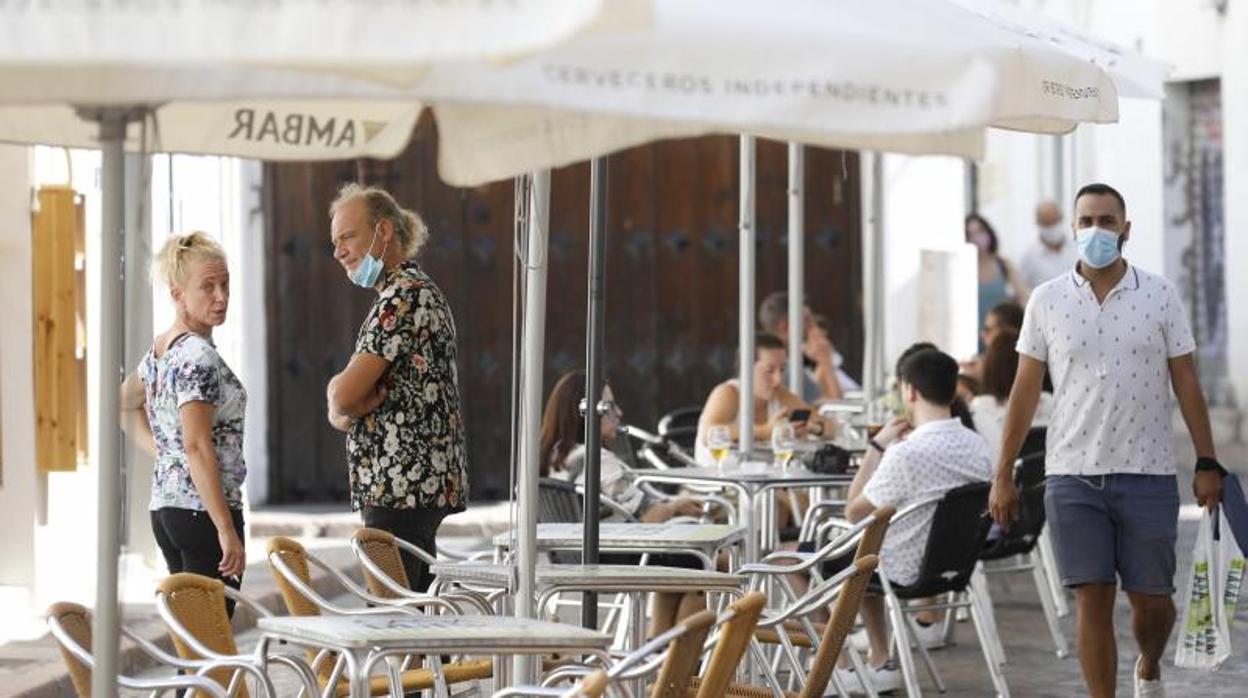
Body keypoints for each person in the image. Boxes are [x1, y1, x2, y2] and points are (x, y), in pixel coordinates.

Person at [988, 183, 1224, 698]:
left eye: (1108, 220)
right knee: (1092, 600)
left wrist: (1208, 461)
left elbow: (1186, 381)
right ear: (1074, 229)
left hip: (1149, 472)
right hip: (1072, 474)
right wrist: (1003, 471)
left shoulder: (1159, 294)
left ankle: (1149, 662)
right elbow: (1024, 392)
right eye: (1087, 220)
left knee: (1153, 603)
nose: (1097, 230)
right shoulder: (1046, 301)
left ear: (1126, 229)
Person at [326, 184, 468, 593]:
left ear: (383, 231)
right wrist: (342, 405)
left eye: (348, 236)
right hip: (407, 491)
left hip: (401, 492)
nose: (339, 252)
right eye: (335, 242)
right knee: (410, 619)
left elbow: (342, 397)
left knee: (394, 623)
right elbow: (342, 403)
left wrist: (341, 403)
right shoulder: (402, 293)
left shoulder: (402, 297)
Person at [832, 348, 993, 692]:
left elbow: (852, 512)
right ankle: (881, 659)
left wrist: (877, 447)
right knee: (864, 555)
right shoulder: (978, 446)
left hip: (899, 569)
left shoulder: (904, 454)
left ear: (910, 391)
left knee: (803, 558)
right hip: (952, 567)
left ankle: (842, 669)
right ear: (953, 390)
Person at [120, 232, 247, 615]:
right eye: (207, 287)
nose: (221, 296)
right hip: (202, 511)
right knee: (210, 641)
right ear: (177, 295)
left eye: (225, 283)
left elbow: (123, 405)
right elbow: (196, 445)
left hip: (167, 509)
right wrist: (225, 528)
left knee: (196, 638)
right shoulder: (196, 356)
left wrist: (165, 451)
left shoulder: (163, 349)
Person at [539, 371, 706, 635]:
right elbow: (647, 518)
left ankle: (659, 653)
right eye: (609, 406)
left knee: (685, 569)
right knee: (704, 568)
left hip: (570, 557)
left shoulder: (554, 455)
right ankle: (674, 662)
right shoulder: (597, 460)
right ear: (584, 412)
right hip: (616, 555)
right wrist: (676, 506)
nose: (619, 411)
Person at [694, 333, 839, 465]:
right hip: (716, 488)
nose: (778, 379)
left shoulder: (780, 395)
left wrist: (813, 427)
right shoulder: (728, 393)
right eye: (769, 371)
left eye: (782, 370)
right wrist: (765, 431)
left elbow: (831, 429)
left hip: (763, 486)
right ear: (746, 368)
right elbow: (708, 434)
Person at [970, 330, 1053, 462]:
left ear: (992, 367)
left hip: (1007, 477)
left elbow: (994, 458)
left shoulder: (981, 406)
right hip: (1050, 478)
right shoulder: (1050, 401)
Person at [757, 291, 847, 402]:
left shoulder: (789, 364)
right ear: (785, 327)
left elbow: (813, 401)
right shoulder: (783, 368)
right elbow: (831, 406)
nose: (813, 326)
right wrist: (825, 360)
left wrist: (823, 361)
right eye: (807, 320)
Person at [966, 213, 1029, 349]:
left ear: (988, 232)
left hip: (1001, 340)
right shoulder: (964, 269)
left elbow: (1024, 296)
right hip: (972, 340)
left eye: (980, 231)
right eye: (971, 234)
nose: (976, 238)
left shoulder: (1003, 264)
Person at [1019, 199, 1079, 289]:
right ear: (1038, 223)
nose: (1052, 228)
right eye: (1046, 224)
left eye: (1054, 221)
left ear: (1062, 218)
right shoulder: (1029, 257)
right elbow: (1021, 291)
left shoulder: (1078, 247)